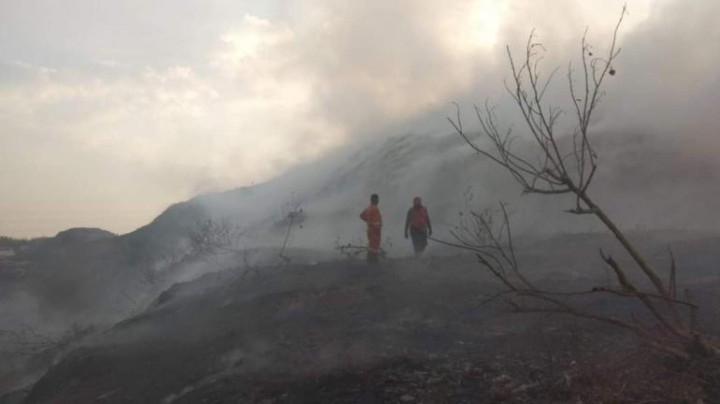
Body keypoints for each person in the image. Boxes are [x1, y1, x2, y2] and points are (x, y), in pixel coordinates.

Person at [360, 194, 382, 264]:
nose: (378, 200)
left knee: (372, 245)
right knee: (373, 246)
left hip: (370, 229)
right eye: (377, 199)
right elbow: (376, 221)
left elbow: (362, 215)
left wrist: (368, 221)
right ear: (374, 200)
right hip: (375, 230)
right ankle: (372, 261)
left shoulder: (368, 208)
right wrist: (376, 225)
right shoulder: (374, 209)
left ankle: (372, 261)